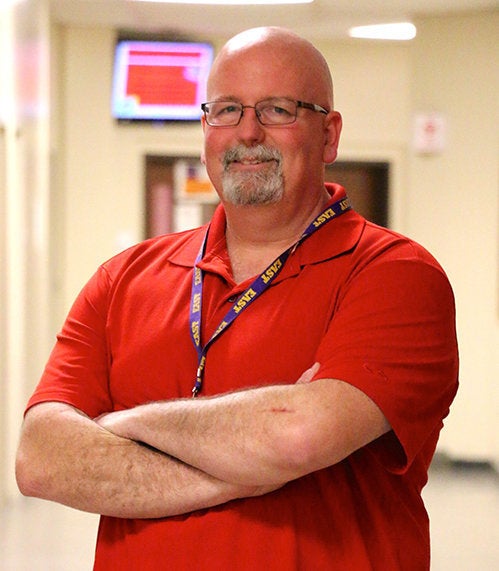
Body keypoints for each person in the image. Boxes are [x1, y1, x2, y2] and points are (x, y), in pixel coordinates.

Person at [16, 26, 458, 570]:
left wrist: (121, 427)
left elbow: (297, 436)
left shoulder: (396, 275)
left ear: (330, 134)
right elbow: (41, 460)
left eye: (277, 109)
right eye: (226, 110)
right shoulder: (122, 280)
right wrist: (250, 462)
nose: (248, 132)